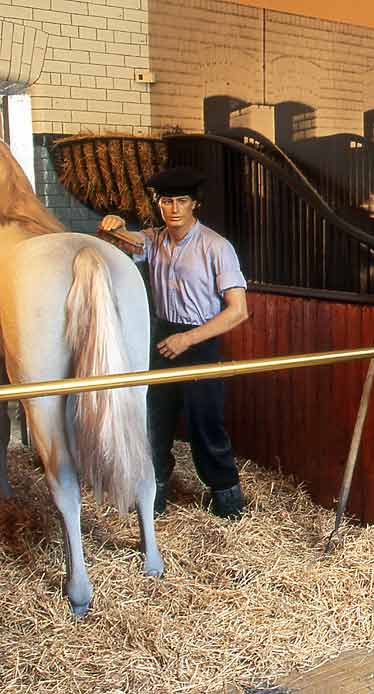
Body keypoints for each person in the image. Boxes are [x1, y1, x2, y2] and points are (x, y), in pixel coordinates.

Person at [97, 166, 250, 518]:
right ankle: (155, 492)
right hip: (162, 338)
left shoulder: (216, 247)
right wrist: (112, 225)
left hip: (200, 340)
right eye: (167, 201)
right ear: (158, 204)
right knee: (154, 420)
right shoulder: (153, 240)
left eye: (182, 201)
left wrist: (189, 338)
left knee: (204, 423)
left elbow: (238, 311)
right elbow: (119, 241)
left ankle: (227, 499)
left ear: (195, 204)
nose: (174, 208)